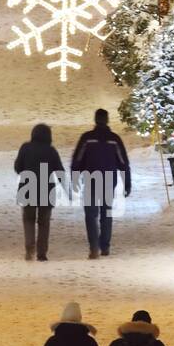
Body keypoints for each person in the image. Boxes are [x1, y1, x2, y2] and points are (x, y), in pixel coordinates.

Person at [70, 107, 131, 259]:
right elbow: (123, 163)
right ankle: (105, 246)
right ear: (107, 120)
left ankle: (94, 246)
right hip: (109, 181)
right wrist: (127, 182)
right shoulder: (114, 139)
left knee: (91, 215)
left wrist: (75, 179)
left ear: (95, 120)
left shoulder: (87, 138)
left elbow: (77, 160)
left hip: (91, 180)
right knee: (106, 214)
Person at [14, 123, 65, 261]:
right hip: (47, 190)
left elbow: (18, 167)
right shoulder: (51, 150)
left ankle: (29, 247)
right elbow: (60, 171)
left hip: (27, 188)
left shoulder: (25, 148)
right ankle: (42, 253)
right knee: (44, 222)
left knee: (28, 219)